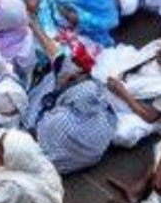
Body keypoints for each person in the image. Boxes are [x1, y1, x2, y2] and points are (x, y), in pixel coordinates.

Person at [21, 22, 116, 174]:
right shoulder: (101, 105)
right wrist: (34, 23)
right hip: (91, 156)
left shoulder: (58, 120)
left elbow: (35, 133)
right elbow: (57, 56)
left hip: (60, 163)